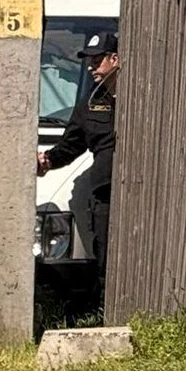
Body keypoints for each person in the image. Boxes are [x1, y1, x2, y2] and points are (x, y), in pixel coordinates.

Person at [40, 30, 119, 288]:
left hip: (140, 192)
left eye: (97, 61)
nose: (90, 67)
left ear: (115, 59)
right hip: (105, 193)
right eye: (89, 61)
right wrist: (47, 161)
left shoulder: (142, 97)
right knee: (106, 254)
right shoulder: (90, 103)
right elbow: (71, 144)